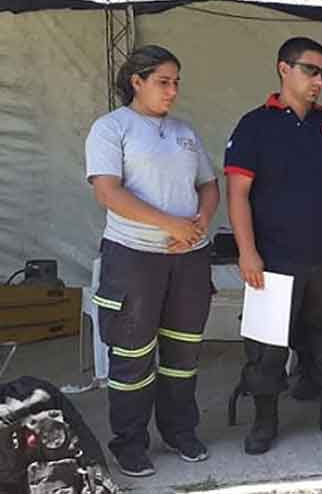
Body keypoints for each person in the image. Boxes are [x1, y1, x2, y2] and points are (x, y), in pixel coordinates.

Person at [224, 36, 322, 455]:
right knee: (267, 347)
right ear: (283, 69)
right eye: (310, 70)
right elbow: (237, 193)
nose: (319, 80)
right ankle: (265, 420)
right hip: (274, 258)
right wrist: (247, 251)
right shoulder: (255, 125)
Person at [85, 45, 219, 477]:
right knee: (132, 356)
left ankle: (181, 432)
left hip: (188, 258)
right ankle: (129, 443)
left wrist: (197, 223)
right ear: (136, 82)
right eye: (163, 81)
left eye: (177, 82)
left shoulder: (185, 132)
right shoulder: (111, 128)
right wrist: (170, 225)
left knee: (183, 352)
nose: (173, 91)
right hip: (133, 257)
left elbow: (209, 185)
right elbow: (108, 192)